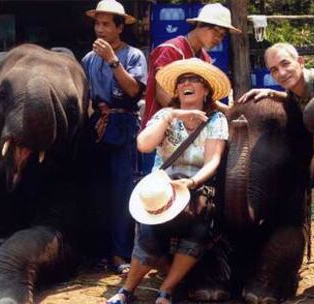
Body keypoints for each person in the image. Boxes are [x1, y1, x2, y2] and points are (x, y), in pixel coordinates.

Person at [238, 42, 314, 303]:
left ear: (301, 62)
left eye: (285, 64)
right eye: (274, 70)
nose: (281, 73)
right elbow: (303, 103)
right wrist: (271, 93)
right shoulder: (295, 91)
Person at [106, 58, 231, 304]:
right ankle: (127, 290)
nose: (187, 83)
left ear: (206, 90)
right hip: (162, 184)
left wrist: (192, 184)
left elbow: (212, 162)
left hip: (196, 183)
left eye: (194, 80)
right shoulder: (165, 115)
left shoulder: (216, 120)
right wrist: (171, 114)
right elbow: (143, 145)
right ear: (176, 90)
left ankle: (166, 289)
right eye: (182, 80)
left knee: (199, 219)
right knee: (149, 226)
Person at [81, 0, 147, 275]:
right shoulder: (87, 59)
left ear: (120, 27)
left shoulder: (134, 56)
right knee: (97, 193)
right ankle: (98, 253)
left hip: (124, 125)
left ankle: (120, 254)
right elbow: (83, 96)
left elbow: (134, 91)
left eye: (106, 24)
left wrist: (112, 60)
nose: (100, 29)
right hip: (97, 126)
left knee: (123, 193)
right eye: (97, 23)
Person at [138, 3, 240, 175]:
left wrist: (230, 111)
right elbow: (162, 94)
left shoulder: (205, 59)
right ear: (200, 26)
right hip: (163, 134)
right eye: (215, 32)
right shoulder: (171, 50)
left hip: (193, 134)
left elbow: (207, 100)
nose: (218, 39)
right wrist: (185, 113)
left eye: (222, 36)